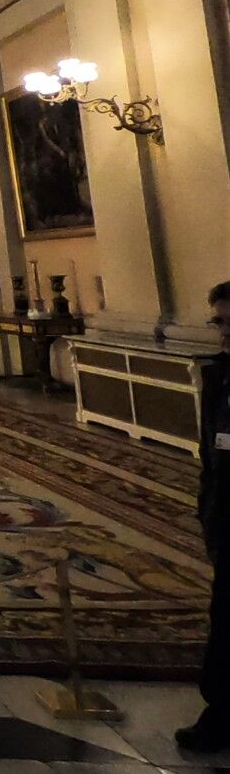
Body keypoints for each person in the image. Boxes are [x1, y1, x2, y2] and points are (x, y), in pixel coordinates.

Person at [180, 280, 230, 752]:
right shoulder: (219, 375)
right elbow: (210, 453)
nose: (224, 333)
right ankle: (221, 714)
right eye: (219, 322)